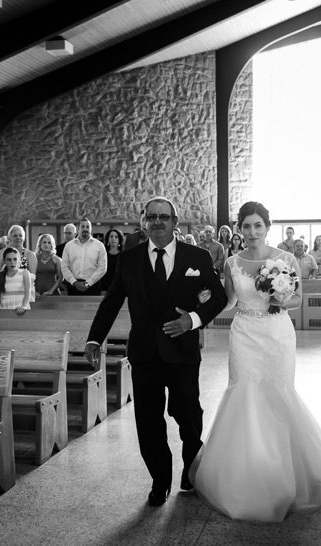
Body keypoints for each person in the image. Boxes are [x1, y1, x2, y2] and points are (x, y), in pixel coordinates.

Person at [189, 201, 321, 522]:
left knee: (278, 391)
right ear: (239, 229)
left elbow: (297, 299)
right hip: (244, 333)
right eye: (246, 226)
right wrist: (204, 301)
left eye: (257, 225)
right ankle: (246, 467)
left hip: (277, 333)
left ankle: (282, 468)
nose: (252, 232)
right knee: (244, 390)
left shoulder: (285, 259)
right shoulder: (232, 262)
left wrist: (278, 296)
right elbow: (230, 301)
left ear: (267, 227)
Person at [84, 196, 227, 507]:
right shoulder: (129, 259)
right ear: (144, 222)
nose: (158, 221)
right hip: (144, 353)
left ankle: (191, 470)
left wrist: (192, 320)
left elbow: (219, 297)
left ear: (175, 222)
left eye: (164, 216)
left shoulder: (197, 256)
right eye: (152, 217)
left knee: (189, 416)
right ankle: (160, 480)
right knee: (148, 422)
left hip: (182, 352)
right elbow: (111, 301)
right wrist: (95, 339)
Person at [61, 218, 107, 296]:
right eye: (82, 226)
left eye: (87, 227)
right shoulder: (69, 246)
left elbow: (102, 268)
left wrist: (88, 283)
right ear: (78, 229)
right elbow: (64, 267)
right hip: (74, 286)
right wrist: (74, 282)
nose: (85, 229)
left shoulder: (99, 245)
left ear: (91, 229)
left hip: (93, 286)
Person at [0, 247, 31, 317]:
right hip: (5, 309)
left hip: (21, 310)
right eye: (9, 259)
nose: (12, 262)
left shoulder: (24, 273)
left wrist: (24, 306)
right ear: (4, 261)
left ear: (19, 260)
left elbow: (28, 293)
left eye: (15, 259)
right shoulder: (0, 275)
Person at [100, 229, 124, 293]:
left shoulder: (124, 255)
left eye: (116, 237)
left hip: (120, 289)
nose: (113, 238)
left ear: (119, 240)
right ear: (108, 239)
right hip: (104, 288)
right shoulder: (102, 254)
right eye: (111, 236)